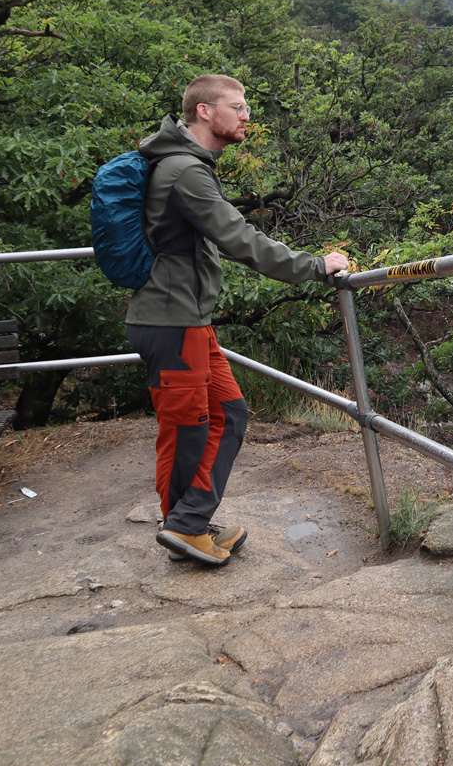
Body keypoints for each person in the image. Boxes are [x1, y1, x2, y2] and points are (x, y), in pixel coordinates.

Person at [126, 74, 348, 566]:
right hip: (171, 322)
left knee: (227, 414)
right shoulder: (185, 170)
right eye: (238, 106)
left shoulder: (185, 164)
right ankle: (184, 526)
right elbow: (238, 238)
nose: (247, 115)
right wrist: (315, 265)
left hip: (188, 319)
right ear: (205, 112)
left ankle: (187, 523)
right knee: (186, 429)